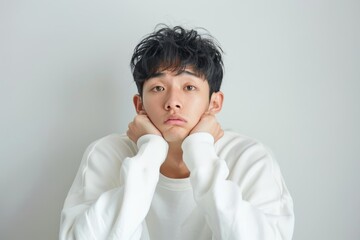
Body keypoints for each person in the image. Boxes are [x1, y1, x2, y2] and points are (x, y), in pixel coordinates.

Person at [59, 25, 294, 240]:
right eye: (158, 88)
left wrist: (200, 149)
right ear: (140, 105)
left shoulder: (249, 158)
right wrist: (150, 150)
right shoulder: (106, 154)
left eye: (189, 87)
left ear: (215, 103)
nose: (173, 102)